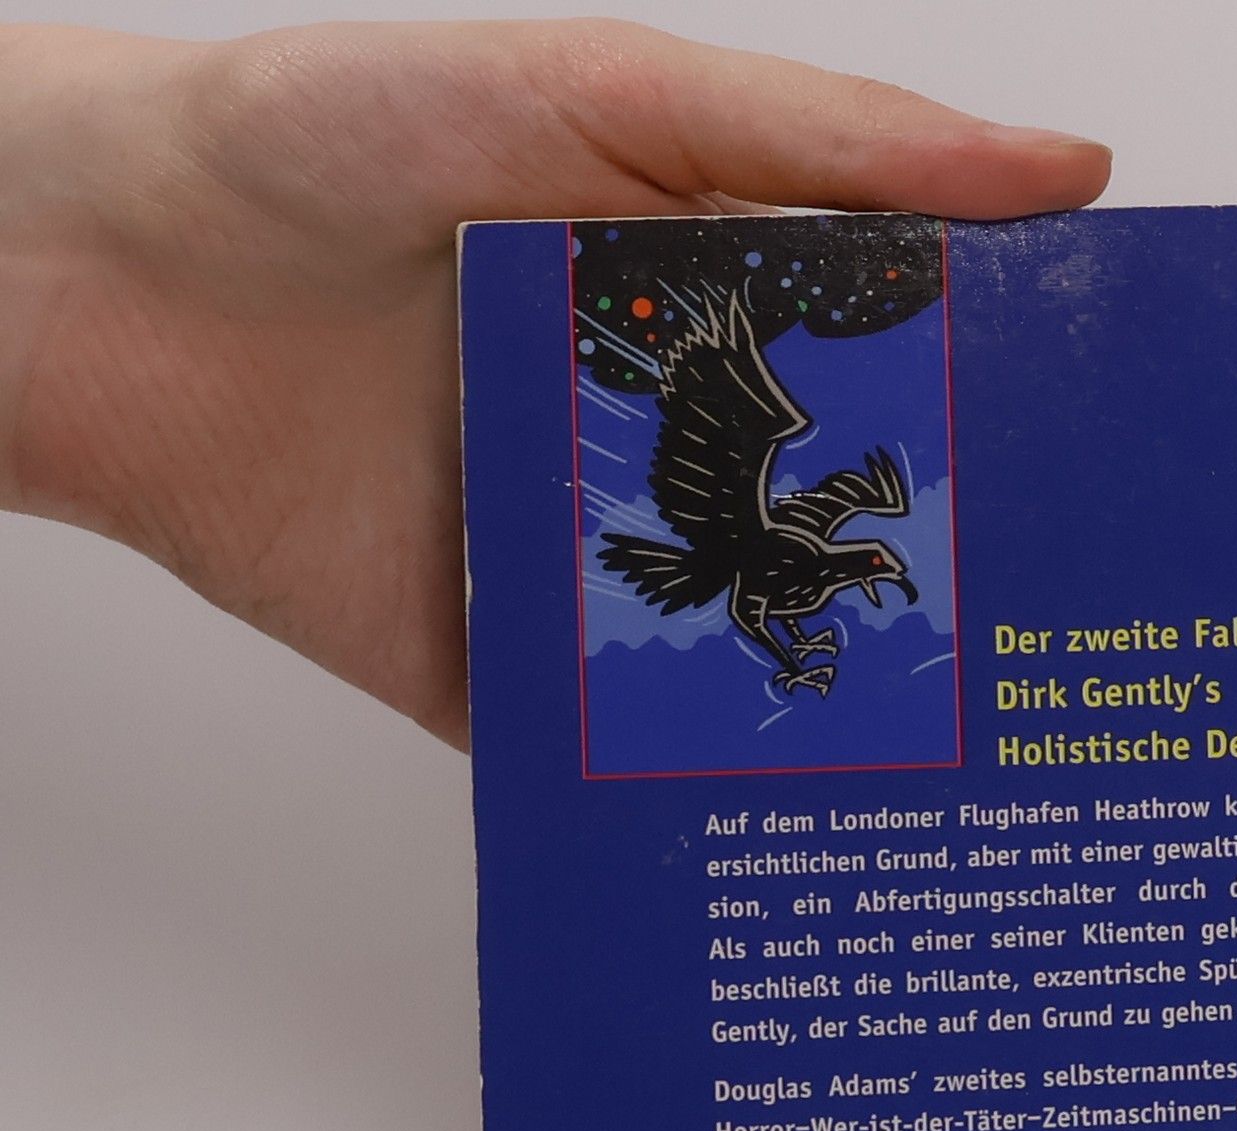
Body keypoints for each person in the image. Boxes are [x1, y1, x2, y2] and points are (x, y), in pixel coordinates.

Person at [0, 19, 1109, 747]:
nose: (876, 575)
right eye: (874, 569)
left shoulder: (807, 563)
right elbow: (772, 576)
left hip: (698, 566)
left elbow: (789, 576)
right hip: (698, 542)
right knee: (767, 425)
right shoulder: (786, 543)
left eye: (870, 571)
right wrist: (140, 196)